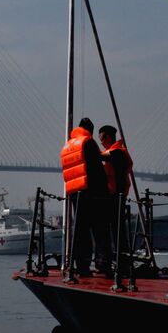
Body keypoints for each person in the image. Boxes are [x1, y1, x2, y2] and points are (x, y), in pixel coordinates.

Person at [61, 117, 112, 276]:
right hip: (92, 192)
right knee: (100, 228)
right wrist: (106, 192)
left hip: (75, 193)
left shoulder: (68, 145)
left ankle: (81, 266)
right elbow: (96, 168)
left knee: (81, 230)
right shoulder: (87, 142)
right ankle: (102, 264)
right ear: (90, 130)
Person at [98, 125, 133, 261]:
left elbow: (102, 156)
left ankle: (121, 260)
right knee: (116, 229)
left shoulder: (118, 152)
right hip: (113, 196)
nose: (100, 141)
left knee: (117, 230)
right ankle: (119, 259)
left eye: (101, 137)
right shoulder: (114, 151)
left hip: (117, 196)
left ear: (107, 136)